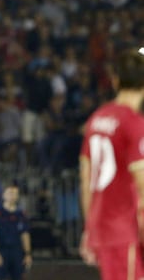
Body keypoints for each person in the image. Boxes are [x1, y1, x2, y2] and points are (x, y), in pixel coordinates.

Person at [79, 49, 144, 280]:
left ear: (115, 80)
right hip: (125, 229)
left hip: (103, 228)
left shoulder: (97, 118)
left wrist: (89, 229)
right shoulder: (133, 124)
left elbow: (86, 178)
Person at [0, 184, 32, 280]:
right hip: (2, 250)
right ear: (4, 195)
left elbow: (25, 234)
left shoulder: (21, 214)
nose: (13, 196)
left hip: (17, 251)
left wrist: (28, 253)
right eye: (10, 193)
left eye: (16, 193)